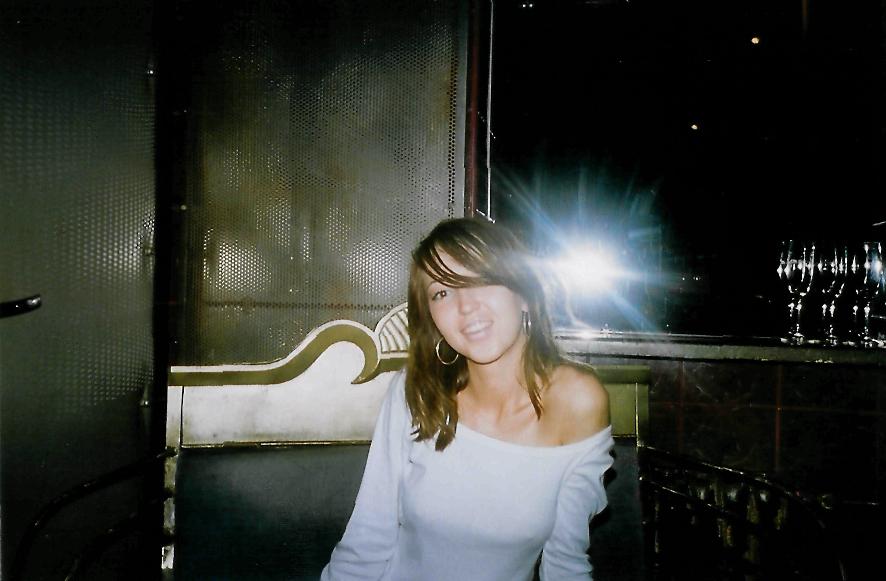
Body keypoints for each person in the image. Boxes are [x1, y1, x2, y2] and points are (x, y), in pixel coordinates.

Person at [321, 217, 613, 581]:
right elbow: (368, 537)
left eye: (480, 279)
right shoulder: (417, 391)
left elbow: (565, 565)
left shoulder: (578, 402)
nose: (465, 306)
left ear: (524, 294)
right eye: (441, 293)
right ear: (432, 317)